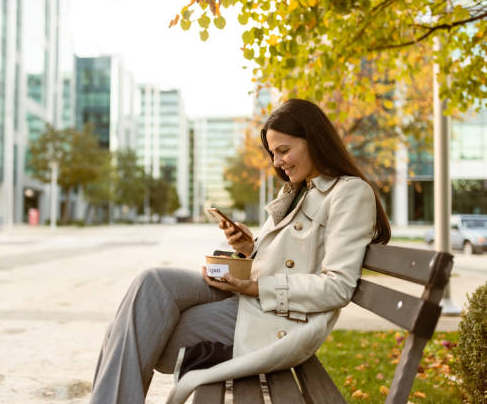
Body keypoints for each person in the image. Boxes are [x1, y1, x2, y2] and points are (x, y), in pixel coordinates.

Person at [90, 98, 391, 404]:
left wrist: (255, 286)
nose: (277, 163)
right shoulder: (298, 192)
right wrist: (250, 248)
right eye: (273, 154)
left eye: (283, 151)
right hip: (250, 299)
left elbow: (337, 287)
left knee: (136, 331)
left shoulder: (349, 193)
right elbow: (287, 260)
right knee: (151, 281)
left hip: (279, 319)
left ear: (314, 140)